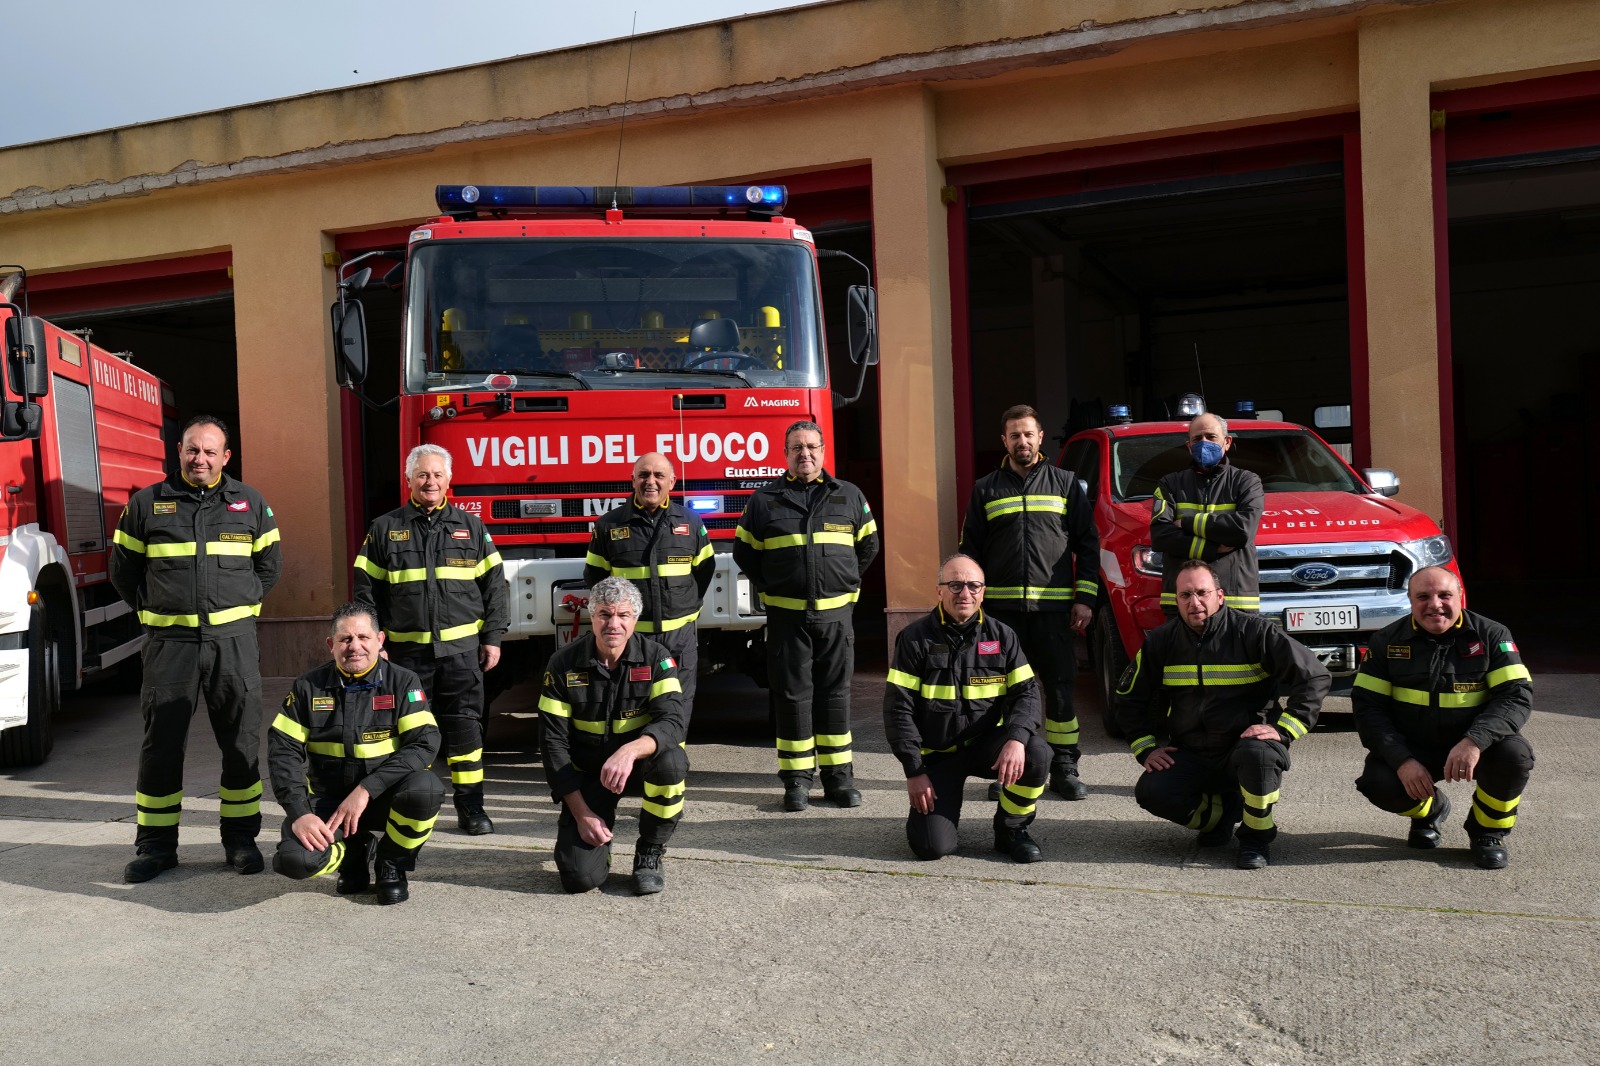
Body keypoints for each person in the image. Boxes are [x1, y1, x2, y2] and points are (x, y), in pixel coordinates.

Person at [110, 415, 282, 884]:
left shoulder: (251, 504)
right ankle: (157, 848)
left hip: (233, 646)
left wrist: (238, 612)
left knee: (241, 744)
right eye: (192, 449)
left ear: (226, 457)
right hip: (171, 647)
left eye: (210, 451)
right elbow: (123, 572)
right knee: (161, 746)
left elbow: (269, 567)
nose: (200, 458)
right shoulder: (146, 505)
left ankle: (241, 841)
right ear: (179, 452)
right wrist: (155, 615)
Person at [1115, 559, 1329, 869]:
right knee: (1152, 791)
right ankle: (1221, 817)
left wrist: (1284, 730)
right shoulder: (1161, 641)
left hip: (1245, 749)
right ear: (1176, 600)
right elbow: (1128, 697)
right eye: (1185, 595)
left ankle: (1256, 838)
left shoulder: (1254, 632)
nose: (1195, 602)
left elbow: (1314, 676)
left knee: (1260, 755)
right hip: (1192, 752)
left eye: (1202, 593)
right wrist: (1146, 747)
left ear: (1220, 595)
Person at [354, 443, 508, 836]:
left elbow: (495, 587)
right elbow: (365, 591)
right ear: (409, 480)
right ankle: (409, 806)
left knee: (466, 734)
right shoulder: (384, 528)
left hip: (461, 654)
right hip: (406, 656)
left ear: (449, 480)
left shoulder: (470, 527)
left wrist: (492, 638)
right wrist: (375, 644)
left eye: (438, 475)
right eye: (423, 475)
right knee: (406, 733)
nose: (430, 482)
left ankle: (471, 809)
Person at [733, 420, 880, 811]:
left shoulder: (849, 496)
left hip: (835, 618)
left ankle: (839, 781)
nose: (805, 454)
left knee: (836, 697)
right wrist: (773, 589)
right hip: (787, 620)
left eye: (812, 447)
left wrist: (843, 583)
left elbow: (868, 547)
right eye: (797, 448)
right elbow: (745, 554)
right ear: (785, 454)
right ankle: (796, 782)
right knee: (792, 698)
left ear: (823, 451)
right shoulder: (765, 500)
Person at [1351, 566, 1535, 869]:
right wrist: (1402, 760)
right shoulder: (1385, 641)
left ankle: (1487, 831)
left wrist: (1475, 741)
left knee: (1515, 756)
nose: (1434, 604)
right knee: (1377, 782)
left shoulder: (1491, 635)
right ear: (1410, 601)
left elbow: (1516, 696)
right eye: (1423, 596)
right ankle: (1430, 812)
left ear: (1460, 597)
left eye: (1444, 595)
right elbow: (1369, 708)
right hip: (1414, 746)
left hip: (1474, 744)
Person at [959, 404, 1099, 800]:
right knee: (999, 691)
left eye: (1028, 434)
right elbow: (970, 552)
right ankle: (1006, 768)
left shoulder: (1066, 483)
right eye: (1014, 435)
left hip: (1053, 612)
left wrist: (1085, 599)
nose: (1022, 441)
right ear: (1004, 441)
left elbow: (1088, 546)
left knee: (1059, 689)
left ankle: (1065, 766)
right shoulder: (986, 488)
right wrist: (972, 607)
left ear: (1040, 437)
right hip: (999, 616)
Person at [268, 604, 444, 904]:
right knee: (294, 861)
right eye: (345, 639)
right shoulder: (308, 687)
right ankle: (353, 855)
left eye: (363, 637)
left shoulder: (403, 682)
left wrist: (366, 789)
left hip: (381, 797)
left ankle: (391, 864)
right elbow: (282, 751)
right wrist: (300, 813)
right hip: (329, 804)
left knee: (426, 790)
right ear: (330, 645)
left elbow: (425, 743)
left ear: (380, 640)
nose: (355, 646)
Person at [883, 554, 1049, 863]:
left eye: (973, 585)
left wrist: (1016, 739)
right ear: (939, 590)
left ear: (983, 591)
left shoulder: (1002, 637)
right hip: (937, 757)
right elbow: (898, 709)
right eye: (955, 585)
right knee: (932, 848)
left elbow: (1027, 693)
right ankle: (937, 820)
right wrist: (914, 770)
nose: (965, 593)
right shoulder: (915, 639)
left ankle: (1011, 830)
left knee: (1036, 752)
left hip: (985, 746)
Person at [537, 577, 689, 895]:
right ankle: (599, 840)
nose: (614, 624)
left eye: (623, 615)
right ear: (592, 616)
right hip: (590, 776)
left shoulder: (657, 658)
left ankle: (650, 852)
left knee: (672, 763)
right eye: (605, 614)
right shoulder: (562, 663)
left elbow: (673, 721)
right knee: (578, 879)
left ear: (635, 618)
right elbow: (553, 745)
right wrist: (583, 815)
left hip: (638, 769)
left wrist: (630, 751)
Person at [583, 451, 714, 708]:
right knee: (632, 706)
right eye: (643, 475)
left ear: (672, 481)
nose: (650, 481)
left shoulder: (691, 522)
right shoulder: (609, 525)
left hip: (680, 635)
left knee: (678, 704)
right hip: (633, 637)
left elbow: (705, 569)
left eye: (658, 475)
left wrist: (687, 607)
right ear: (633, 480)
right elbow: (595, 578)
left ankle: (673, 749)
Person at [1149, 411, 1263, 614]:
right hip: (1183, 604)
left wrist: (1186, 523)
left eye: (1211, 437)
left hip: (1235, 601)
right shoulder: (1170, 484)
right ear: (1188, 446)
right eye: (1197, 439)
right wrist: (1211, 548)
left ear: (1227, 442)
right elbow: (1160, 536)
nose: (1204, 443)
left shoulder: (1247, 481)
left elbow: (1243, 530)